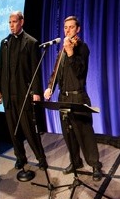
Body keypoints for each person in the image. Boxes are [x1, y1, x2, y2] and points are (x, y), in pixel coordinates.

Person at [43, 16, 103, 181]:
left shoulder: (82, 48)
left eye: (71, 27)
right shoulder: (61, 50)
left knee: (85, 134)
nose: (67, 30)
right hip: (63, 97)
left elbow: (79, 72)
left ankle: (95, 165)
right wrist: (50, 87)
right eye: (65, 28)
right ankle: (75, 162)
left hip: (78, 97)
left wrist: (70, 52)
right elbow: (56, 72)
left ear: (78, 29)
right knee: (68, 133)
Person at [0, 11, 48, 170]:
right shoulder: (4, 43)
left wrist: (36, 92)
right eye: (9, 22)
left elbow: (35, 70)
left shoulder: (31, 42)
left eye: (14, 22)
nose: (11, 25)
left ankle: (41, 158)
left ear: (22, 22)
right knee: (13, 131)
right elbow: (0, 69)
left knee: (29, 130)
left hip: (23, 94)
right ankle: (20, 157)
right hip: (8, 94)